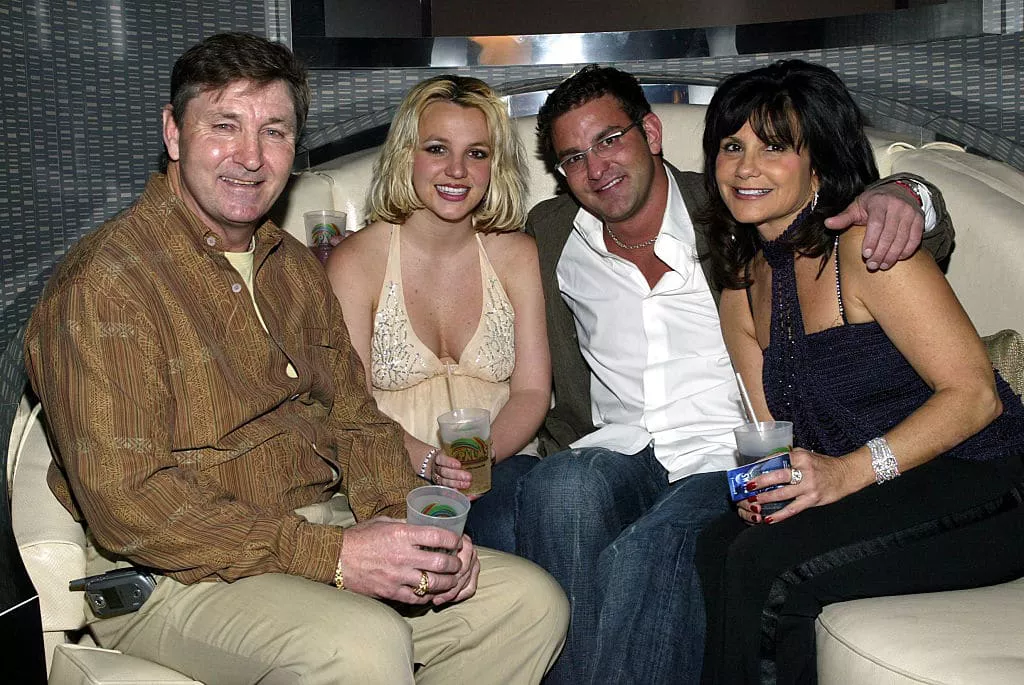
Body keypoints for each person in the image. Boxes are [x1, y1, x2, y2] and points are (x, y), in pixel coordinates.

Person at [23, 33, 567, 685]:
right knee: (362, 643)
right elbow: (128, 503)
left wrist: (404, 528)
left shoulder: (294, 269)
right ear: (173, 132)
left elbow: (357, 421)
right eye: (225, 125)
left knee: (527, 605)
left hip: (313, 532)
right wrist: (334, 555)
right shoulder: (107, 284)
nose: (251, 157)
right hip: (172, 574)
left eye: (274, 132)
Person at [515, 64, 954, 685]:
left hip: (724, 455)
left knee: (651, 549)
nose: (596, 168)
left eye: (609, 139)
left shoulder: (731, 205)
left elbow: (862, 213)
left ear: (651, 132)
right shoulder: (552, 230)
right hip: (617, 452)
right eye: (573, 157)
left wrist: (908, 195)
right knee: (558, 488)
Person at [694, 59, 1024, 685]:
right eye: (731, 146)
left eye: (774, 147)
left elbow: (976, 395)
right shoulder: (741, 282)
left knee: (765, 566)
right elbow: (773, 435)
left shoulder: (867, 249)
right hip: (884, 492)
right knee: (717, 543)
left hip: (988, 479)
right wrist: (771, 489)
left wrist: (847, 472)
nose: (744, 167)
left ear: (818, 163)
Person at [326, 75, 549, 554]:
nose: (457, 171)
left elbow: (533, 391)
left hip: (505, 467)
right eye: (436, 149)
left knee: (518, 514)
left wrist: (477, 458)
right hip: (393, 470)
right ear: (407, 154)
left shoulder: (517, 255)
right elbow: (351, 405)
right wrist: (430, 462)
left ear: (495, 165)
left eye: (477, 153)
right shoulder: (357, 262)